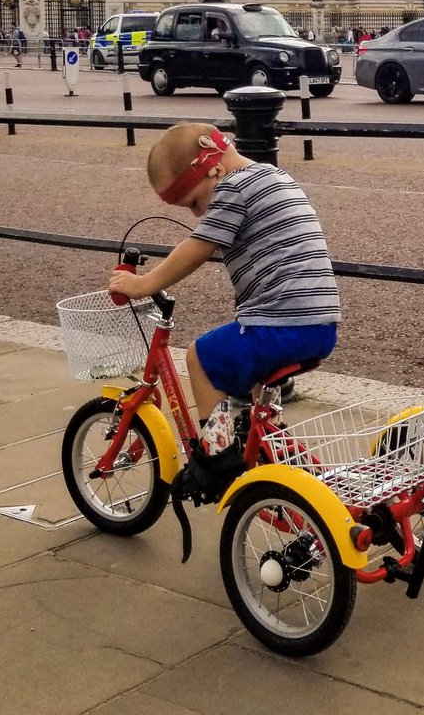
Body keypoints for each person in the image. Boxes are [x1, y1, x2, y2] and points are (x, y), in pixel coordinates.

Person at [108, 124, 341, 489]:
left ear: (212, 168)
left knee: (201, 356)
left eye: (195, 203)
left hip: (281, 322)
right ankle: (262, 444)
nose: (199, 214)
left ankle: (215, 464)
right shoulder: (273, 175)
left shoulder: (233, 187)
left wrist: (144, 283)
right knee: (241, 370)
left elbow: (197, 247)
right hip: (318, 324)